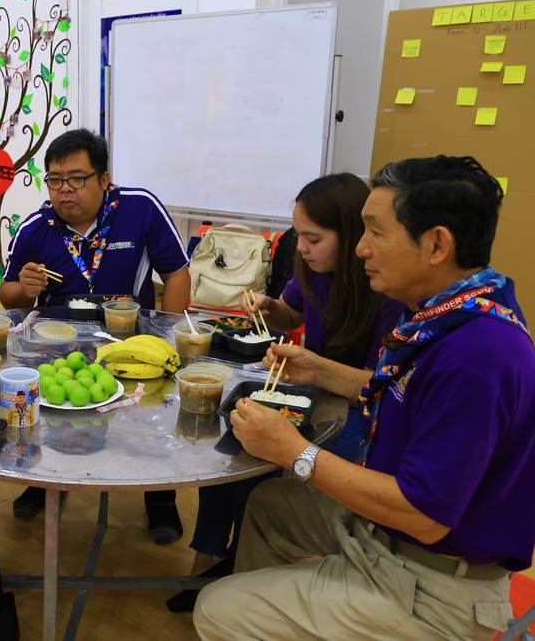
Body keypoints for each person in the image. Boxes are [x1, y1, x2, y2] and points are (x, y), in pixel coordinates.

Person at [194, 155, 535, 640]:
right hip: (384, 540)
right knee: (270, 506)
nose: (360, 247)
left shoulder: (477, 354)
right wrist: (318, 368)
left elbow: (424, 516)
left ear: (437, 244)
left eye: (375, 231)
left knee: (215, 609)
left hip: (434, 585)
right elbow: (393, 387)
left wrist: (295, 451)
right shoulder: (446, 314)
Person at [167, 173, 407, 611]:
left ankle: (240, 563)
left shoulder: (385, 292)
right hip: (308, 390)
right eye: (299, 237)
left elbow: (374, 388)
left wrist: (315, 369)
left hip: (356, 416)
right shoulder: (313, 269)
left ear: (351, 236)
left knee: (258, 453)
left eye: (314, 238)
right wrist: (268, 306)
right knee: (233, 434)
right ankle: (211, 556)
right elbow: (289, 313)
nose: (303, 248)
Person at [0, 128, 192, 544]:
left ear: (104, 179)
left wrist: (169, 336)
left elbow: (176, 272)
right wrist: (24, 288)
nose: (64, 190)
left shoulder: (140, 209)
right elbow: (7, 295)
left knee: (148, 422)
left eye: (77, 178)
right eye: (55, 180)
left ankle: (161, 496)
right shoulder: (35, 228)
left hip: (130, 341)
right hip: (57, 346)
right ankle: (45, 482)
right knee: (55, 416)